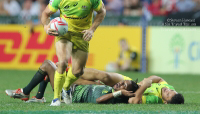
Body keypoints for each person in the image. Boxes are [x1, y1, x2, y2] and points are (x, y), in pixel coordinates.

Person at [40, 0, 106, 106]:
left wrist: (92, 29)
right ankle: (56, 98)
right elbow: (46, 14)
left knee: (78, 71)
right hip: (65, 34)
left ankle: (66, 88)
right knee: (62, 62)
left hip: (82, 35)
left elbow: (102, 12)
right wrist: (46, 27)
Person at [5, 61, 184, 104]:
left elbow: (134, 100)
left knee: (49, 65)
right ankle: (38, 97)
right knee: (61, 67)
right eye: (169, 90)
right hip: (76, 88)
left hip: (70, 93)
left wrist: (143, 85)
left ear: (166, 101)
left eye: (168, 94)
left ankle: (27, 92)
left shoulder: (153, 99)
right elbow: (158, 79)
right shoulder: (168, 87)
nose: (167, 90)